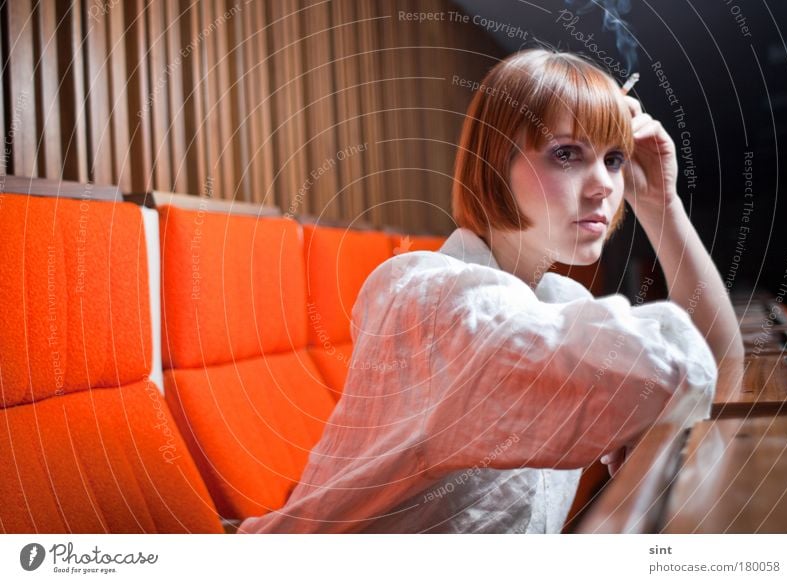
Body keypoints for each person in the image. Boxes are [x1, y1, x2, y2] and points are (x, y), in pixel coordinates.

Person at [239, 49, 744, 534]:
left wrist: (661, 205)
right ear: (494, 162)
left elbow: (719, 382)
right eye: (567, 154)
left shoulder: (561, 302)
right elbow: (682, 366)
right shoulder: (427, 294)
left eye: (614, 159)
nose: (604, 188)